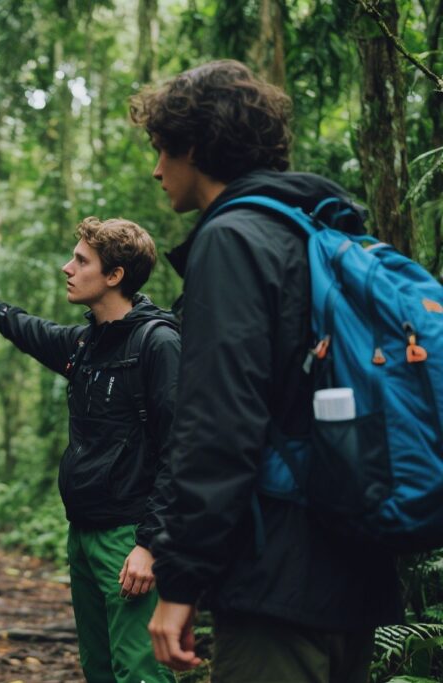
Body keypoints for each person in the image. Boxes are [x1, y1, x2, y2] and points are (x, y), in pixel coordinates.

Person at [132, 60, 402, 682]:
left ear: (194, 147)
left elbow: (218, 428)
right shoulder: (319, 232)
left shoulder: (232, 240)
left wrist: (181, 580)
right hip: (353, 561)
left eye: (162, 150)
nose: (156, 169)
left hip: (276, 576)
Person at [0, 217, 179, 683]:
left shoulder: (157, 344)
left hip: (129, 538)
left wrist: (150, 545)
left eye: (81, 261)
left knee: (139, 673)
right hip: (83, 533)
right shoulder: (88, 343)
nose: (67, 268)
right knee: (98, 669)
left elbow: (181, 449)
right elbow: (37, 333)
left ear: (114, 276)